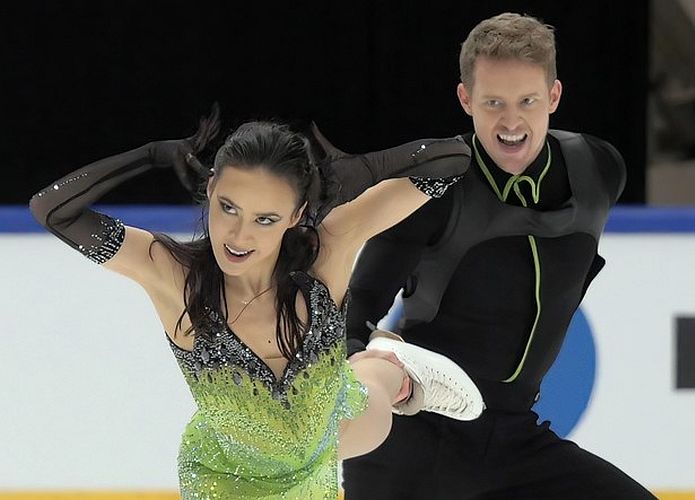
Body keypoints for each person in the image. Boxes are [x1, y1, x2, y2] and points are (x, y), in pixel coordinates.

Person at [28, 106, 486, 499]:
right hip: (231, 480)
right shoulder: (174, 276)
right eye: (229, 207)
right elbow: (53, 209)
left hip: (330, 425)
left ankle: (391, 368)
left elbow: (453, 159)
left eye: (265, 219)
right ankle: (378, 367)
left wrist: (362, 172)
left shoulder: (327, 250)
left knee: (375, 412)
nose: (240, 235)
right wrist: (154, 154)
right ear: (210, 190)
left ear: (296, 215)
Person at [342, 12, 657, 499]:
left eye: (527, 101)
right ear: (466, 100)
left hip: (516, 439)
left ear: (554, 96)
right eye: (493, 103)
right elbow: (356, 306)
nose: (511, 122)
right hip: (413, 442)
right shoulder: (435, 187)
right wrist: (370, 388)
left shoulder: (600, 169)